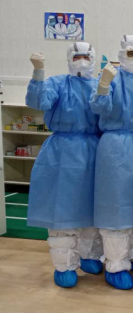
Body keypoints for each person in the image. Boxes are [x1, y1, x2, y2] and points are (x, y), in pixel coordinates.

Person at [25, 43, 103, 288]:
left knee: (91, 207)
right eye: (77, 56)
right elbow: (38, 101)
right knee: (62, 209)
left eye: (87, 56)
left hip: (94, 150)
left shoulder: (100, 86)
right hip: (62, 152)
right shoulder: (57, 83)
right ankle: (64, 264)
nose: (82, 61)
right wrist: (38, 72)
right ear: (69, 59)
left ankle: (90, 255)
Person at [90, 35, 133, 290]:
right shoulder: (110, 78)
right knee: (116, 206)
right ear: (121, 53)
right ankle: (115, 264)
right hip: (116, 146)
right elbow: (99, 108)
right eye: (132, 53)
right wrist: (103, 85)